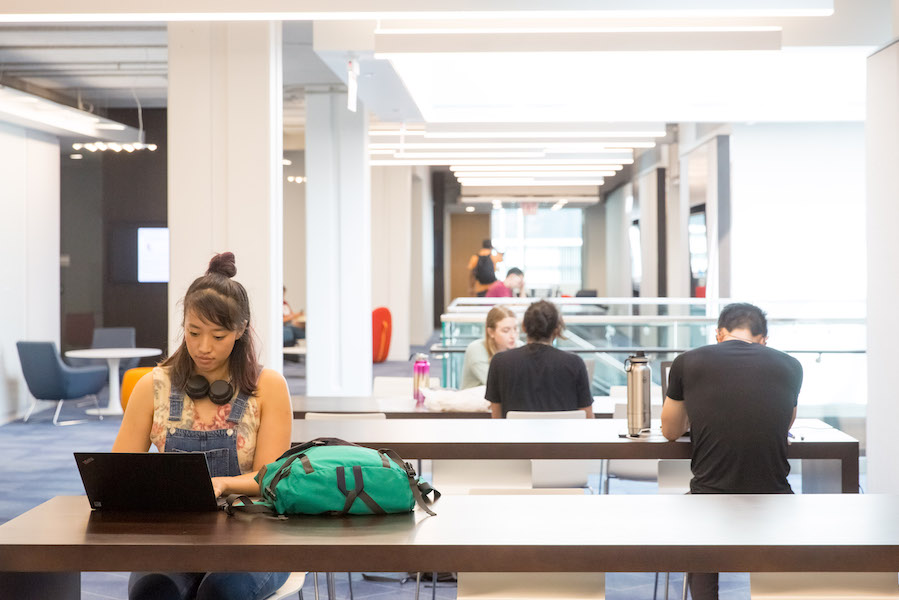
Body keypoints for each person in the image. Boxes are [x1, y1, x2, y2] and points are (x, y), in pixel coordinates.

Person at [113, 252, 293, 600]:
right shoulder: (153, 386)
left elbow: (269, 478)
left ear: (241, 331)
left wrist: (224, 483)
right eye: (194, 333)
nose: (203, 347)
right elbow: (118, 473)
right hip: (175, 535)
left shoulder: (267, 387)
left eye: (218, 336)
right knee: (154, 591)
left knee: (221, 592)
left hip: (252, 534)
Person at [660, 302, 803, 600]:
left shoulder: (687, 362)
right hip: (773, 497)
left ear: (719, 333)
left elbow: (671, 431)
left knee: (700, 511)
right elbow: (785, 423)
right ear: (763, 338)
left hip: (710, 495)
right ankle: (778, 591)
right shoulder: (791, 365)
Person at [486, 300, 594, 418]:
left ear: (524, 327)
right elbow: (587, 417)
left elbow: (496, 419)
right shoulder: (575, 363)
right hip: (562, 436)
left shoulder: (500, 362)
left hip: (515, 435)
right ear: (557, 329)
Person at [461, 305, 519, 389]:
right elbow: (497, 387)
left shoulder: (519, 346)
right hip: (476, 400)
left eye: (516, 329)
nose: (513, 335)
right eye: (506, 330)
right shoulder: (476, 349)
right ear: (491, 332)